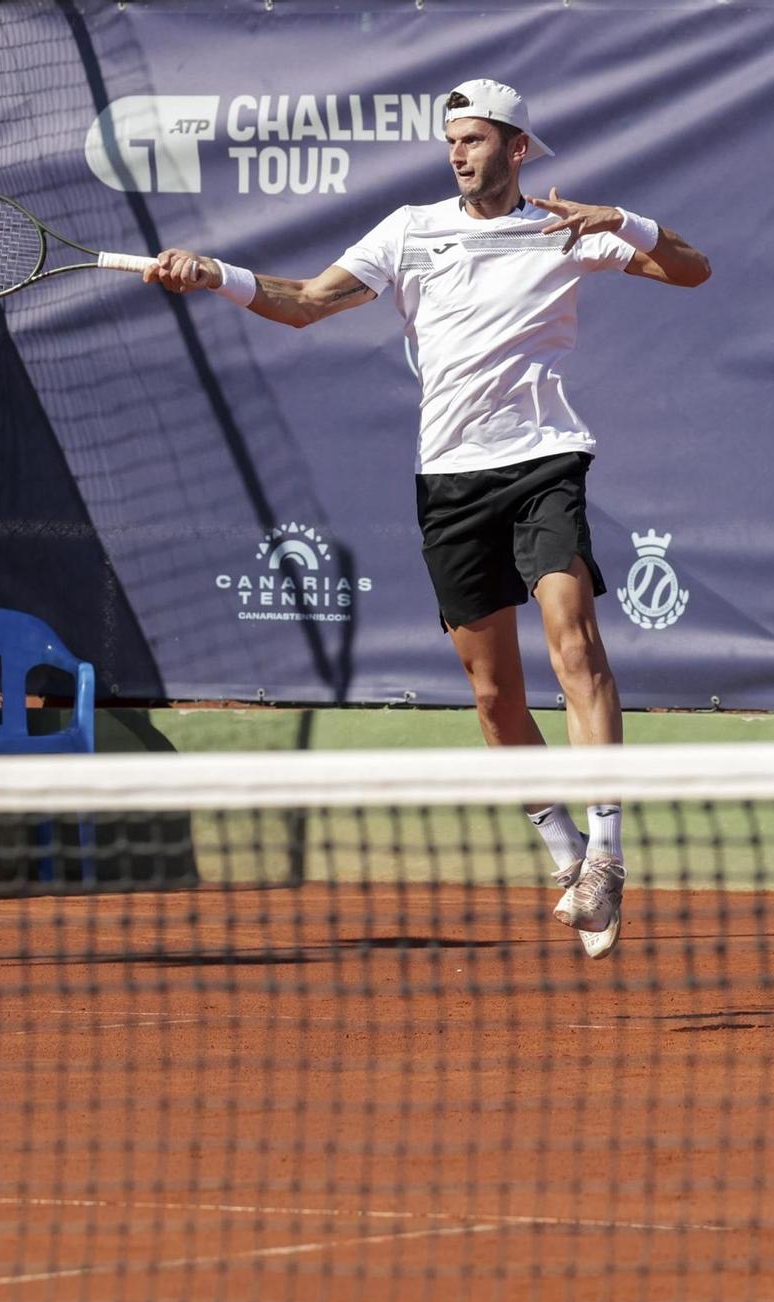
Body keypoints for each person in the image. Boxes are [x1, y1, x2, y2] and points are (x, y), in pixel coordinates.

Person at [145, 79, 710, 959]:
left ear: (517, 147)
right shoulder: (409, 230)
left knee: (575, 638)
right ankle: (562, 848)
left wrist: (623, 221)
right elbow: (305, 302)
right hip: (448, 480)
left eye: (475, 139)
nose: (457, 153)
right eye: (451, 140)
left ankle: (607, 851)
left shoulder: (562, 229)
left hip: (544, 459)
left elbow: (692, 268)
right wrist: (215, 273)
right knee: (493, 697)